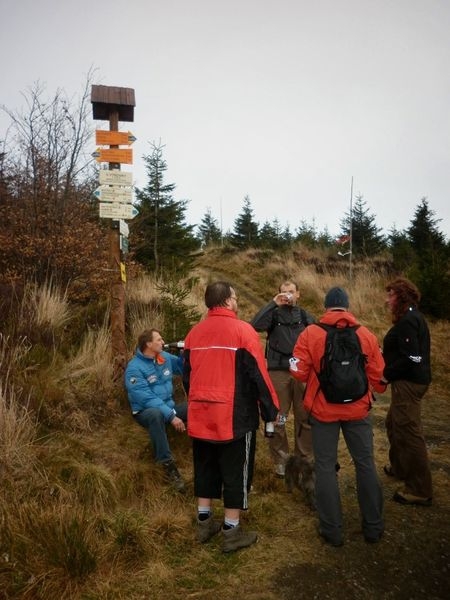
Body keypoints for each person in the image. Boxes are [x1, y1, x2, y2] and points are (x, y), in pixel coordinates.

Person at [183, 281, 280, 553]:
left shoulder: (194, 334)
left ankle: (204, 523)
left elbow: (188, 377)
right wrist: (270, 411)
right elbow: (259, 376)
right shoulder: (243, 331)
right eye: (235, 297)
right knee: (237, 472)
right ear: (226, 301)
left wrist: (197, 402)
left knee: (205, 467)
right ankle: (231, 531)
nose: (237, 302)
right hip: (235, 417)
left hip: (201, 413)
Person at [289, 287, 386, 547]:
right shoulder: (366, 334)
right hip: (358, 410)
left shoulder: (311, 333)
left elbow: (298, 372)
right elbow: (379, 376)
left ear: (326, 307)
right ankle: (373, 527)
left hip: (323, 410)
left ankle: (332, 530)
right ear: (347, 306)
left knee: (325, 467)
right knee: (365, 464)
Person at [250, 280, 315, 477]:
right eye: (283, 292)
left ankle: (304, 460)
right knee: (278, 417)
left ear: (298, 294)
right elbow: (254, 326)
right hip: (278, 372)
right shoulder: (273, 315)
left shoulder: (305, 316)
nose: (287, 295)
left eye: (291, 292)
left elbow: (319, 337)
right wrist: (272, 304)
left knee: (304, 418)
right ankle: (282, 460)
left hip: (302, 373)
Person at [381, 277, 433, 506]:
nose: (387, 300)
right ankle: (400, 467)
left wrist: (387, 373)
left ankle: (420, 489)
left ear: (401, 297)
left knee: (409, 433)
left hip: (409, 384)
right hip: (408, 381)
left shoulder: (409, 321)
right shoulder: (410, 318)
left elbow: (412, 358)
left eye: (390, 295)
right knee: (393, 423)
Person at [124, 329, 187, 493]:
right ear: (148, 344)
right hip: (145, 411)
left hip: (168, 407)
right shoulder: (134, 369)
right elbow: (146, 399)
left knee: (195, 408)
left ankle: (205, 447)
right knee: (155, 414)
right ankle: (167, 466)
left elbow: (183, 368)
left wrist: (184, 355)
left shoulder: (164, 358)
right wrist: (171, 415)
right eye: (158, 339)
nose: (162, 341)